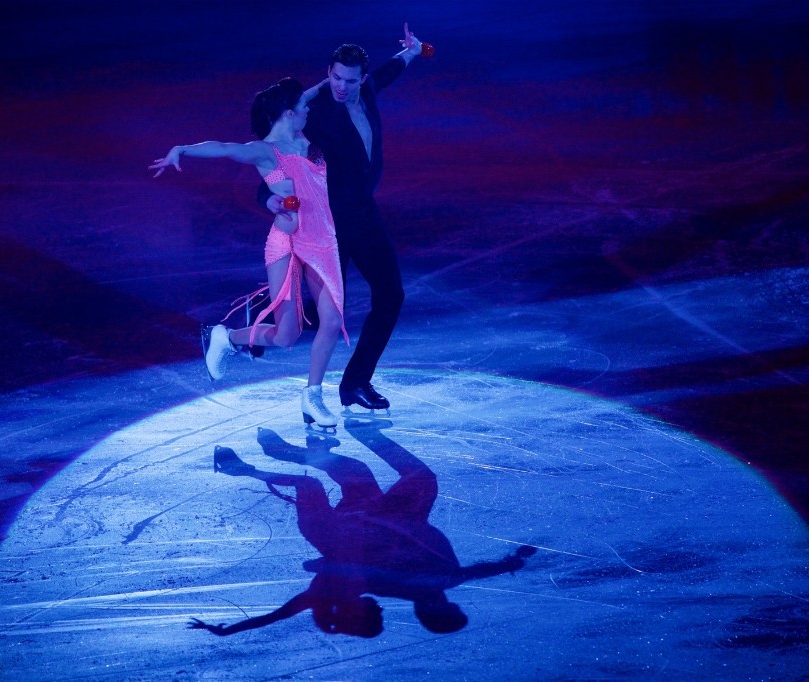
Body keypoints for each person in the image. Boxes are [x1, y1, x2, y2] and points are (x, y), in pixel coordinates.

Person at [189, 423, 536, 637]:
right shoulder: (446, 579)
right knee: (390, 474)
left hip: (349, 530)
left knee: (319, 482)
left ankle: (244, 469)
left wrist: (229, 631)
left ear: (433, 612)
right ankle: (306, 445)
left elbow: (295, 606)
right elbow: (485, 570)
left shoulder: (401, 586)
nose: (446, 605)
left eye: (447, 611)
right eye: (452, 608)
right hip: (388, 518)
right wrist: (516, 559)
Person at [149, 77, 347, 428]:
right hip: (286, 244)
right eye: (303, 107)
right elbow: (225, 148)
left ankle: (313, 396)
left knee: (331, 321)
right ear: (289, 113)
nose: (309, 109)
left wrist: (327, 80)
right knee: (287, 335)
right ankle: (226, 338)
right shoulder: (266, 151)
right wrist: (182, 148)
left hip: (323, 242)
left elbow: (308, 94)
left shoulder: (304, 138)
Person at [259, 24, 428, 412]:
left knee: (391, 296)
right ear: (328, 73)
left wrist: (412, 52)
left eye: (350, 80)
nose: (341, 86)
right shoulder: (315, 115)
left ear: (361, 79)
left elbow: (387, 71)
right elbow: (276, 155)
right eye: (335, 77)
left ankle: (355, 383)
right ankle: (258, 325)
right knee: (324, 316)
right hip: (327, 226)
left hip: (364, 217)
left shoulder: (366, 91)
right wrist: (267, 197)